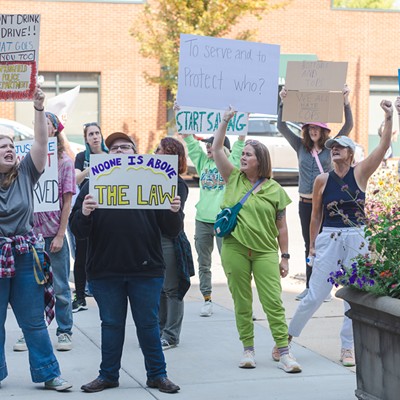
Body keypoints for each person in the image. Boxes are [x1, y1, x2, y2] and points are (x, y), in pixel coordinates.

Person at [69, 131, 182, 394]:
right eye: (114, 148)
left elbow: (172, 230)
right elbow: (78, 230)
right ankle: (108, 375)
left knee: (148, 325)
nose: (119, 151)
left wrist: (173, 211)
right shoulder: (94, 184)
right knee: (111, 325)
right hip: (105, 269)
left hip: (146, 268)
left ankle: (157, 375)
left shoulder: (155, 181)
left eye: (125, 147)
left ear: (136, 153)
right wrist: (84, 212)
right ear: (108, 155)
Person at [288, 100, 394, 367]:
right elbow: (315, 215)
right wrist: (313, 244)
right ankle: (285, 339)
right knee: (315, 293)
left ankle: (347, 347)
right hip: (330, 237)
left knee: (353, 295)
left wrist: (389, 116)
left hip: (356, 236)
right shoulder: (321, 180)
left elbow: (382, 148)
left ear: (350, 154)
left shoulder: (360, 173)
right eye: (332, 147)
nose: (333, 149)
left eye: (339, 147)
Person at [211, 107, 302, 373]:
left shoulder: (275, 189)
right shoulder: (233, 178)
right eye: (243, 154)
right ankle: (248, 350)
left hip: (265, 252)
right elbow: (217, 149)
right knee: (242, 301)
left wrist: (285, 257)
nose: (243, 157)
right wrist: (225, 120)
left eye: (248, 155)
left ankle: (284, 353)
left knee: (273, 301)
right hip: (235, 249)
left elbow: (282, 227)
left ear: (259, 160)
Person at [0, 86, 72, 391]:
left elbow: (42, 143)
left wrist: (39, 109)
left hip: (26, 254)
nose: (8, 148)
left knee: (32, 321)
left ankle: (48, 372)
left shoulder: (27, 171)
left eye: (10, 144)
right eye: (0, 145)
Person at [278, 84, 353, 302]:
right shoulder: (300, 147)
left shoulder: (332, 147)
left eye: (317, 127)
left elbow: (349, 124)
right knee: (308, 244)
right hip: (305, 203)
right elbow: (282, 127)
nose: (313, 130)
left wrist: (345, 101)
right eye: (310, 127)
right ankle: (311, 287)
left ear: (323, 130)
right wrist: (282, 101)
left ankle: (325, 288)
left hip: (325, 203)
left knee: (326, 244)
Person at [183, 132, 245, 317]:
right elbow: (192, 146)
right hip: (202, 220)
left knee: (230, 263)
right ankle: (207, 299)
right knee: (204, 263)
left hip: (223, 221)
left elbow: (239, 144)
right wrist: (185, 128)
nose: (208, 147)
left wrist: (243, 126)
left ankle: (240, 303)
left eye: (212, 144)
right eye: (207, 145)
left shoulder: (231, 163)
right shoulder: (203, 163)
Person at [30, 112, 76, 353]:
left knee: (59, 286)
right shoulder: (28, 159)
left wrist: (60, 234)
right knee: (32, 287)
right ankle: (35, 332)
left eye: (46, 124)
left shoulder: (64, 162)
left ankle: (65, 330)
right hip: (30, 236)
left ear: (55, 130)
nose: (41, 127)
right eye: (39, 124)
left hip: (52, 235)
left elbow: (67, 202)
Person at [155, 137, 194, 350]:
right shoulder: (151, 179)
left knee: (172, 288)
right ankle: (161, 329)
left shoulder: (178, 184)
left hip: (169, 239)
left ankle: (171, 335)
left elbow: (173, 223)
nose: (155, 152)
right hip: (153, 238)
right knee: (160, 288)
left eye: (159, 150)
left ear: (170, 155)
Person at [72, 122, 108, 312]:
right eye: (91, 134)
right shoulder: (80, 158)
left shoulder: (111, 156)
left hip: (106, 212)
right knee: (81, 255)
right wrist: (93, 167)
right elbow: (76, 179)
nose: (95, 136)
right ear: (85, 139)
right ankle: (79, 296)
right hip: (86, 210)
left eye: (97, 133)